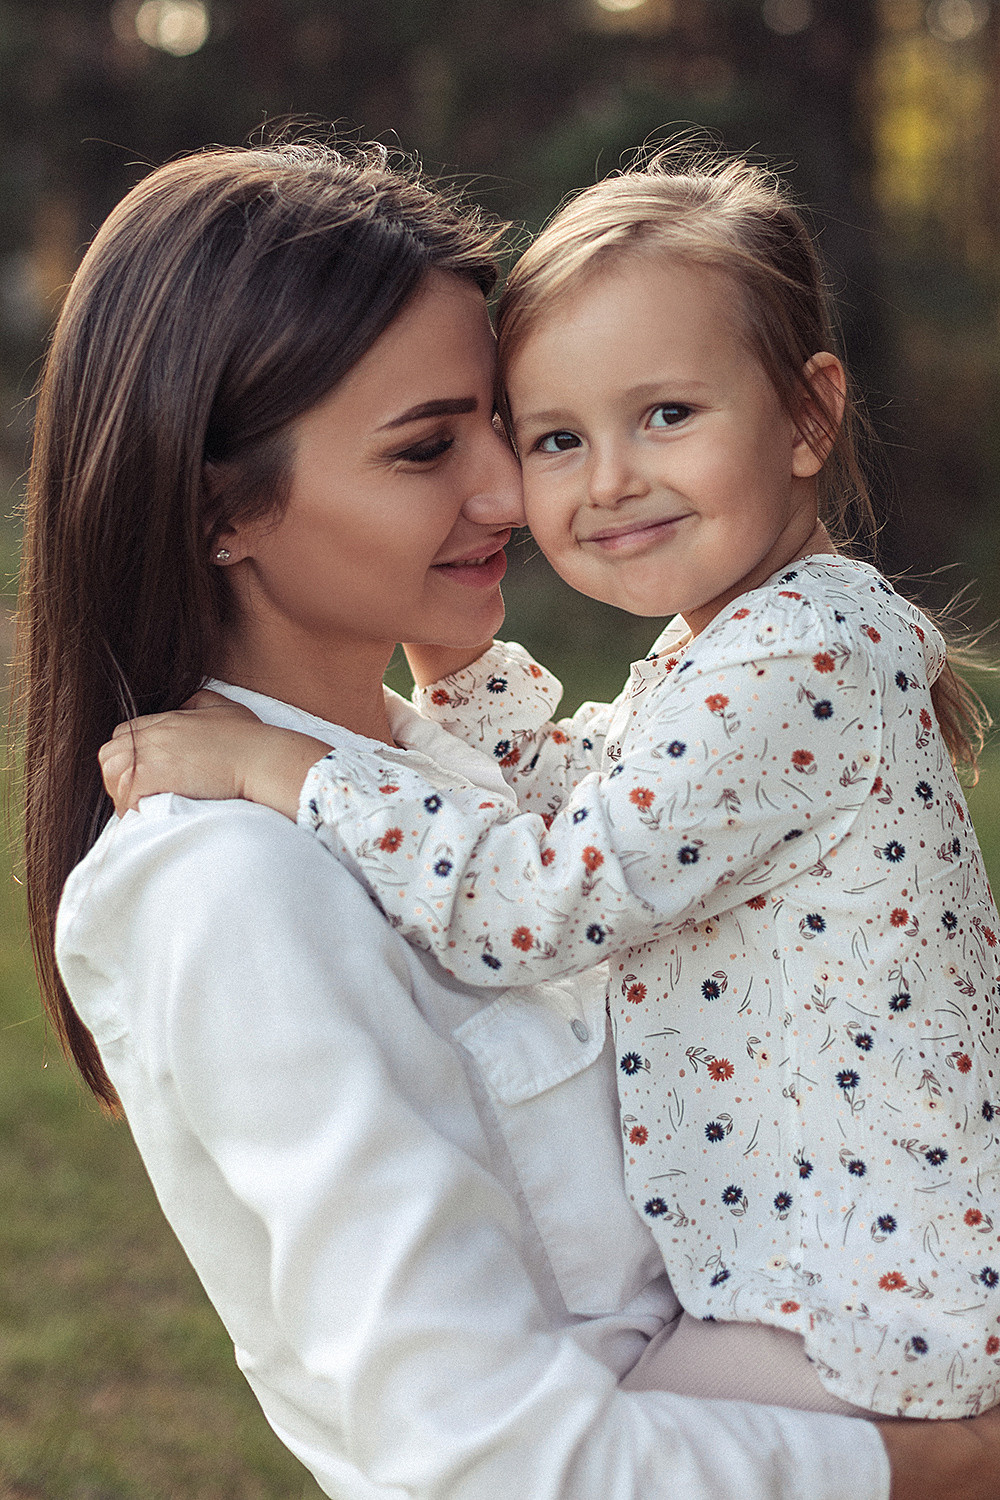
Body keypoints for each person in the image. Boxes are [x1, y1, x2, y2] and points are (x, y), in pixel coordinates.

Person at [27, 139, 999, 1499]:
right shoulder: (225, 876)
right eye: (435, 445)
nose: (516, 495)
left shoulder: (432, 768)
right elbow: (490, 1464)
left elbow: (548, 854)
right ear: (223, 508)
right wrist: (941, 1467)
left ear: (807, 415)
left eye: (499, 426)